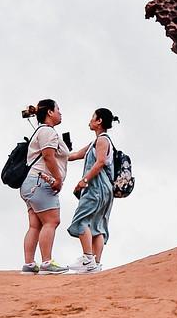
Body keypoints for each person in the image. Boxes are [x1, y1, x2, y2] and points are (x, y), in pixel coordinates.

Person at [66, 107, 119, 273]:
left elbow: (100, 162)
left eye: (92, 118)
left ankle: (88, 258)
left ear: (99, 121)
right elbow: (73, 156)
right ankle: (95, 264)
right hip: (105, 190)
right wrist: (58, 149)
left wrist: (84, 180)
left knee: (81, 219)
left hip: (97, 187)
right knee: (98, 226)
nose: (90, 121)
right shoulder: (95, 143)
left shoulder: (102, 140)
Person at [19, 101, 69, 274]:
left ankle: (29, 264)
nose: (60, 113)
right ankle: (47, 262)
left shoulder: (40, 131)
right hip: (42, 182)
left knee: (35, 225)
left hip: (30, 183)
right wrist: (58, 179)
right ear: (50, 112)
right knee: (51, 221)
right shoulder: (48, 131)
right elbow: (48, 156)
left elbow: (59, 156)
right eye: (58, 109)